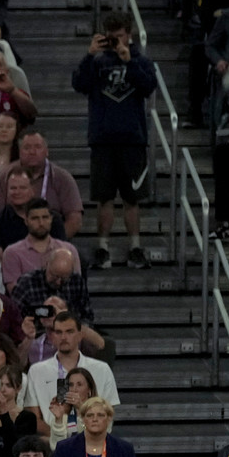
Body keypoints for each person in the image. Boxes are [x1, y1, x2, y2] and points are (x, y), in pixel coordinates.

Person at [70, 14, 157, 269]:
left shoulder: (141, 60)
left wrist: (129, 61)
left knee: (132, 198)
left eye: (119, 36)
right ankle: (103, 247)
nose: (115, 41)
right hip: (103, 139)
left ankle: (135, 247)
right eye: (111, 37)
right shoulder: (97, 61)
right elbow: (79, 84)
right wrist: (89, 55)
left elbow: (148, 87)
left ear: (129, 35)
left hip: (132, 139)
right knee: (104, 198)